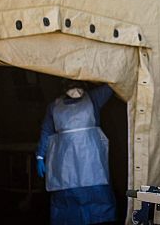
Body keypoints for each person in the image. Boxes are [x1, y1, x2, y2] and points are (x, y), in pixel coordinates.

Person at [36, 81, 117, 224]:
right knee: (67, 199)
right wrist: (40, 155)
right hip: (65, 164)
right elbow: (46, 131)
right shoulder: (54, 107)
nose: (74, 88)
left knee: (97, 196)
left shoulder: (93, 98)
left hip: (91, 162)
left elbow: (113, 83)